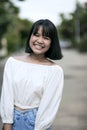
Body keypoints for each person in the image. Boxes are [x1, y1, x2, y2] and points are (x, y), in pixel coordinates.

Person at [0, 19, 64, 130]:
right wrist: (7, 123)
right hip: (12, 120)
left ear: (52, 42)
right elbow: (7, 95)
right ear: (30, 36)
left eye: (46, 37)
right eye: (36, 35)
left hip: (37, 122)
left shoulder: (55, 71)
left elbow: (49, 107)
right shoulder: (12, 63)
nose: (40, 40)